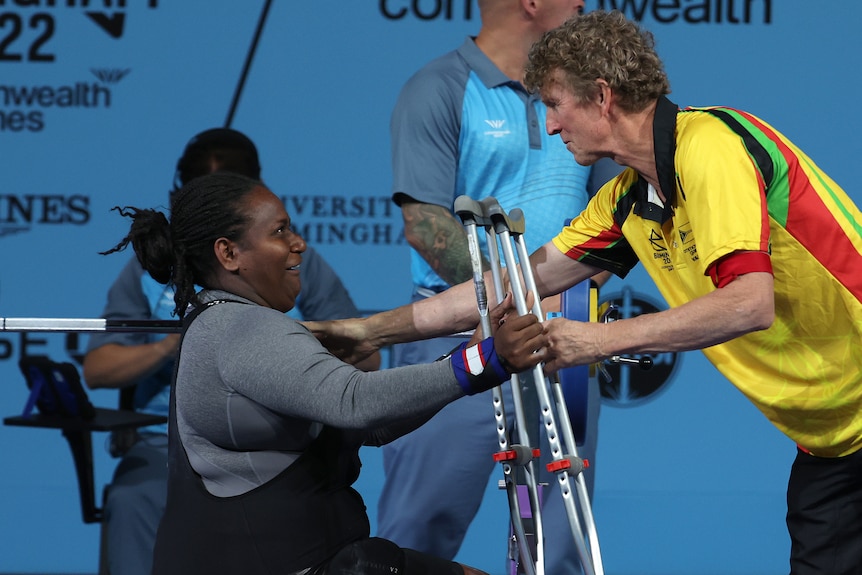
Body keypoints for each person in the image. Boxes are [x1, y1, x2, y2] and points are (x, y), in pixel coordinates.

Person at [308, 10, 862, 575]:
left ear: (601, 96)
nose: (549, 126)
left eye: (554, 103)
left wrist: (598, 340)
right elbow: (514, 284)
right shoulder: (626, 199)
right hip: (832, 442)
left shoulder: (709, 147)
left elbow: (748, 302)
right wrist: (368, 330)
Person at [101, 171, 545, 575]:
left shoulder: (234, 323)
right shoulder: (237, 328)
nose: (299, 244)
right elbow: (354, 402)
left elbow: (372, 424)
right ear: (229, 253)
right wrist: (484, 362)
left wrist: (471, 357)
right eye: (279, 232)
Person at [377, 0, 618, 572]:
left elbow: (620, 220)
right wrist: (511, 303)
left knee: (561, 538)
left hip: (563, 334)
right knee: (418, 529)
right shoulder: (439, 87)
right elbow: (427, 225)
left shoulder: (587, 94)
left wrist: (567, 297)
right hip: (457, 338)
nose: (584, 4)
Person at [82, 127, 378, 575]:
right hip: (162, 445)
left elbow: (369, 359)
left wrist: (285, 350)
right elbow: (99, 368)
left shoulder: (294, 262)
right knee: (133, 498)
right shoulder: (150, 271)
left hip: (275, 440)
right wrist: (185, 340)